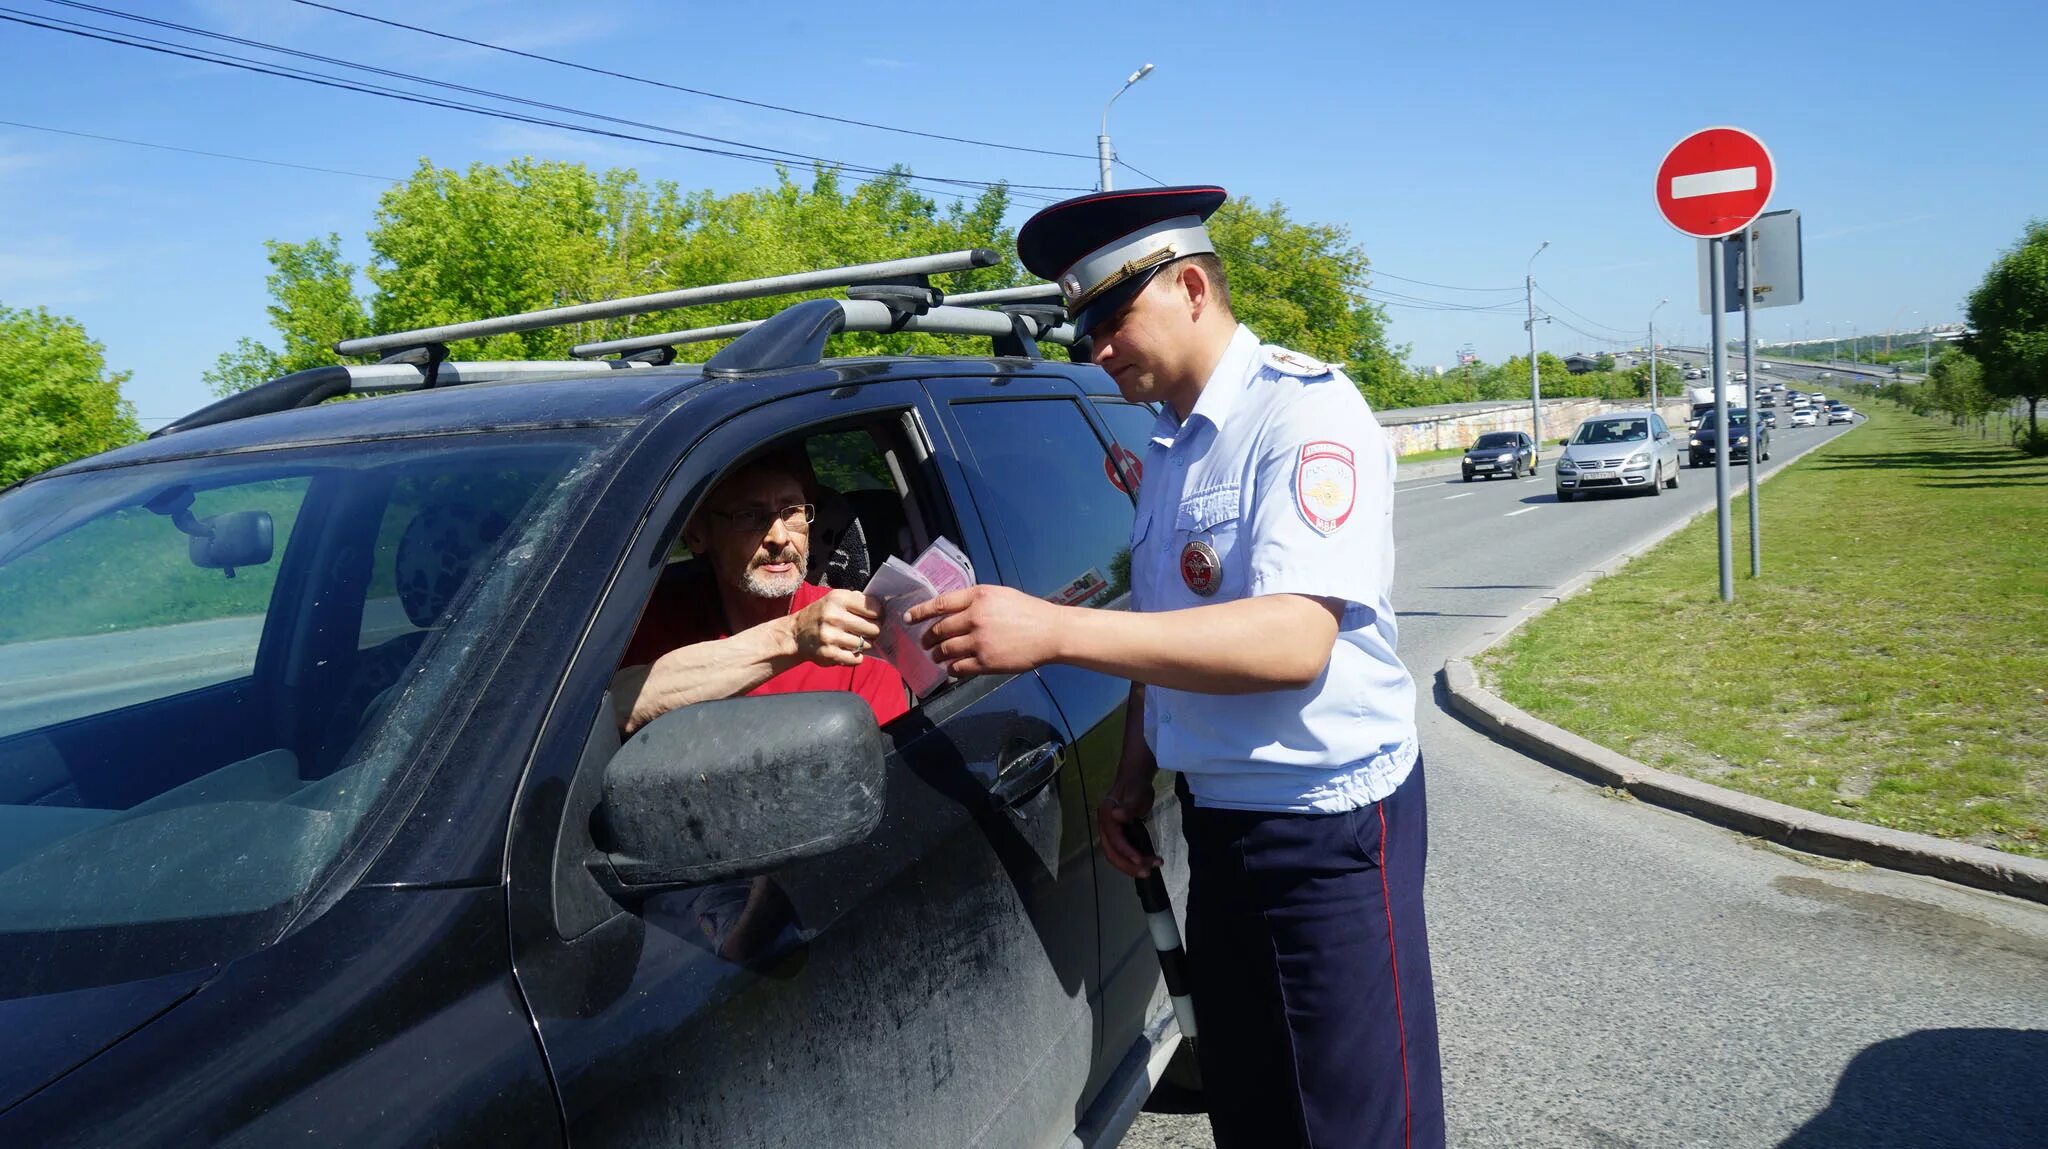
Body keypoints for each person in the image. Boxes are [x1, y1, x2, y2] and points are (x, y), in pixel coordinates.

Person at [906, 186, 1444, 1148]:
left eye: (1112, 318)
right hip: (1222, 822)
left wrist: (1053, 633)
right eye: (1084, 330)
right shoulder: (1166, 445)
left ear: (1192, 286)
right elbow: (1167, 629)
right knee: (1254, 1106)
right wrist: (1132, 775)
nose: (1098, 347)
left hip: (1328, 830)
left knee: (1358, 1120)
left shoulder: (1304, 414)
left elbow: (1290, 642)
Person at [615, 458, 909, 735]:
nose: (779, 537)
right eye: (750, 515)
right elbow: (612, 708)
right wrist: (791, 637)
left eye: (792, 511)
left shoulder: (851, 636)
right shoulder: (658, 617)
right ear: (696, 535)